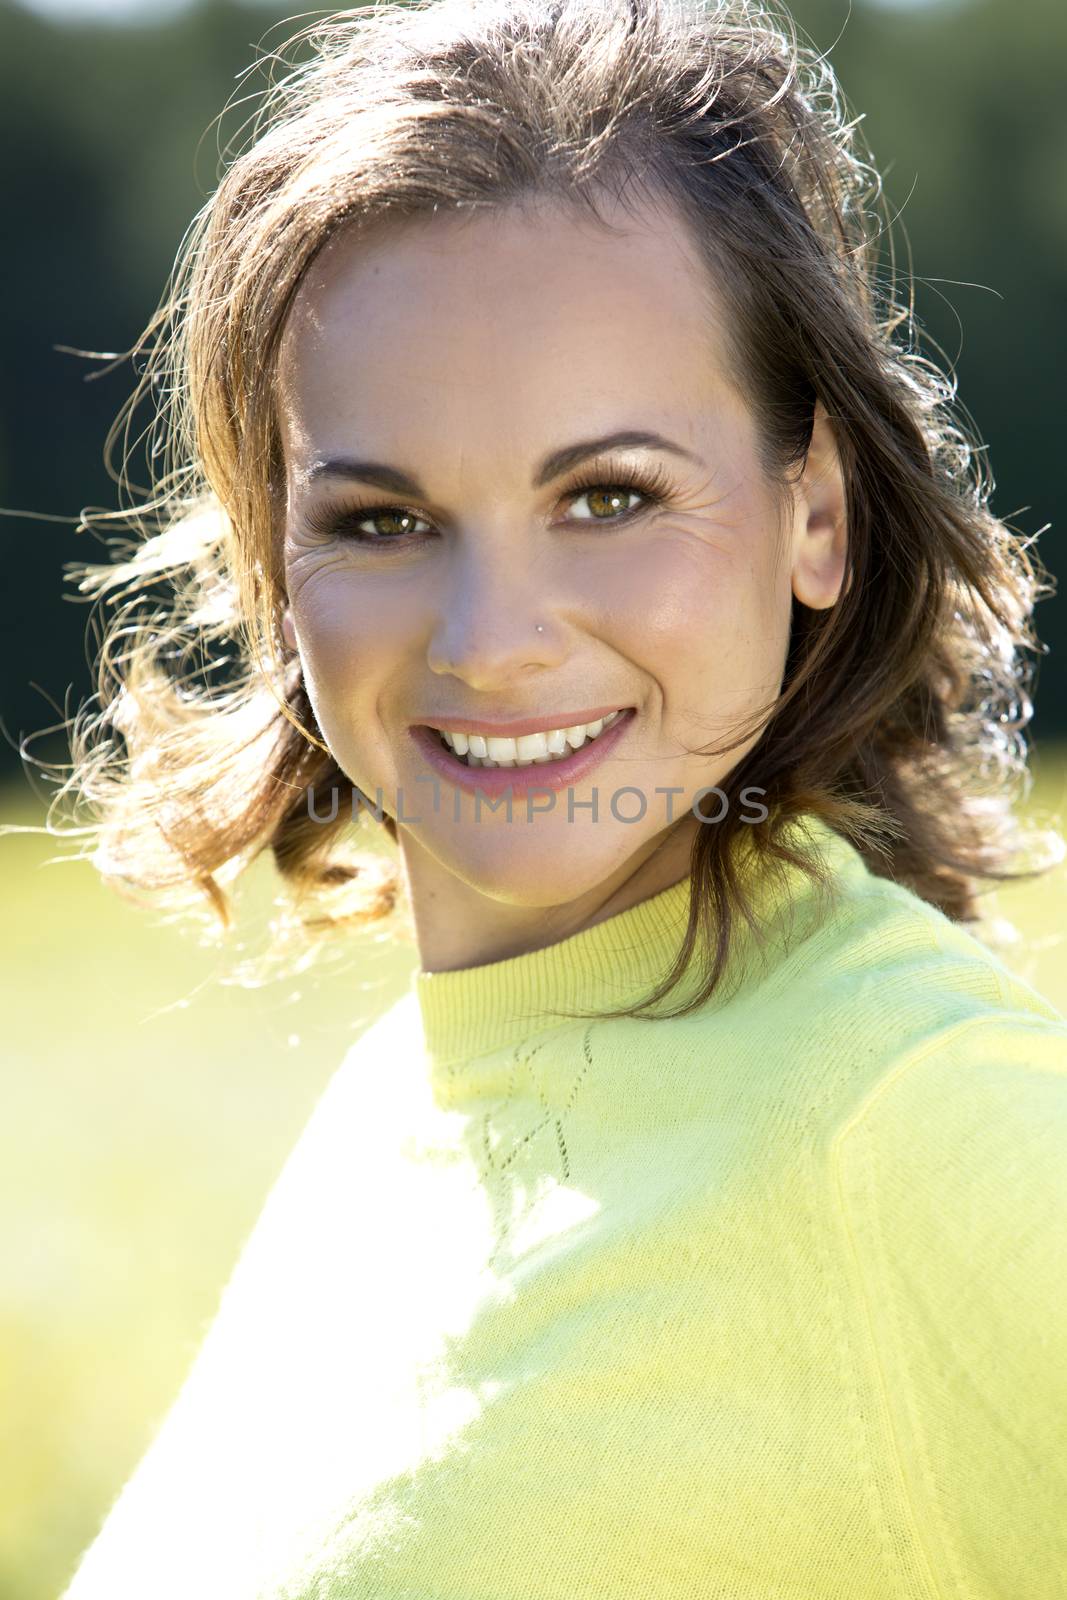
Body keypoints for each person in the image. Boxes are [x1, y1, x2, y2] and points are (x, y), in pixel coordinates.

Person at [49, 0, 1067, 1594]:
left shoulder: (923, 1124)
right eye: (384, 521)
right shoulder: (406, 1099)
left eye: (609, 497)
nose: (492, 643)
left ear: (818, 517)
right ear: (274, 560)